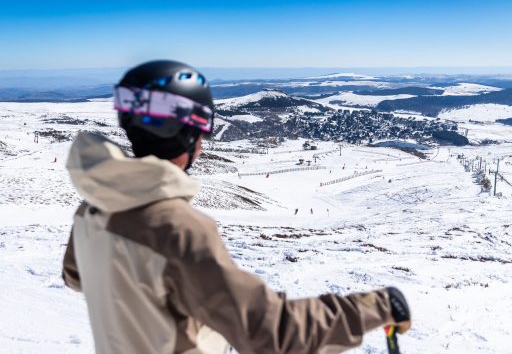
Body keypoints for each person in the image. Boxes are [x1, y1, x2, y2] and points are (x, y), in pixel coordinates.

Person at [62, 60, 411, 354]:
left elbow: (77, 276)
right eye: (202, 132)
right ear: (188, 134)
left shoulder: (94, 209)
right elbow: (271, 332)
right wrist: (375, 307)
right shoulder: (176, 229)